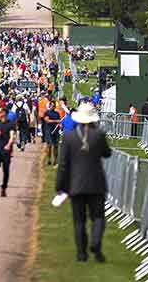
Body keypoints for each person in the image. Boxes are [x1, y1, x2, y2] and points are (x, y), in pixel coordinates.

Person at [56, 102, 112, 263]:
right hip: (96, 182)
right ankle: (95, 244)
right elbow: (107, 153)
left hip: (76, 182)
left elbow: (63, 164)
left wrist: (59, 185)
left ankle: (81, 253)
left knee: (79, 220)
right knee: (98, 217)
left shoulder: (69, 137)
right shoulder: (99, 135)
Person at [43, 101, 61, 166]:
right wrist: (56, 121)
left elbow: (60, 121)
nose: (53, 107)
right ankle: (49, 159)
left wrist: (59, 124)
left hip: (56, 132)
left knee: (56, 146)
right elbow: (47, 120)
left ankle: (55, 160)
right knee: (49, 146)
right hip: (49, 131)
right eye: (52, 106)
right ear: (50, 106)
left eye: (54, 106)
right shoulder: (47, 113)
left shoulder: (57, 113)